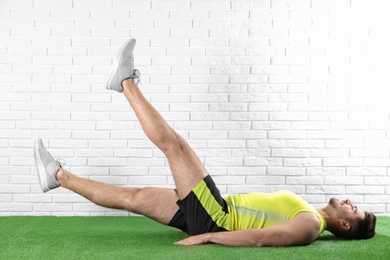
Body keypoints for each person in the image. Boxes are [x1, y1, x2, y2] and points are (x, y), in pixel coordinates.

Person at [34, 38, 376, 247]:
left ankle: (124, 82)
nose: (348, 201)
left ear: (345, 225)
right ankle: (58, 176)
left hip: (216, 216)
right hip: (212, 210)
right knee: (133, 198)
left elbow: (260, 239)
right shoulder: (310, 212)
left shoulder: (310, 225)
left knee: (175, 146)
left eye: (353, 208)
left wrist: (209, 235)